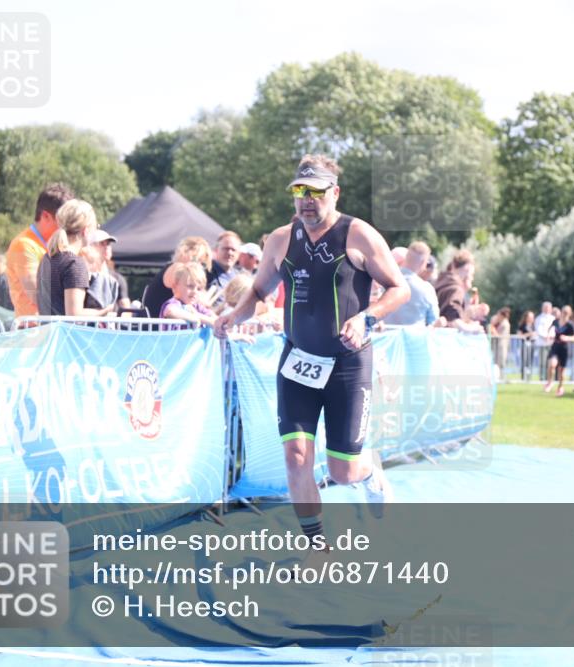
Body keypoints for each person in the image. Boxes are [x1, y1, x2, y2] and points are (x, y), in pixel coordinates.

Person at [214, 154, 410, 554]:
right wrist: (233, 316)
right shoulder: (280, 239)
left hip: (347, 365)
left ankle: (369, 471)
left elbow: (399, 288)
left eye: (315, 192)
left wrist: (366, 319)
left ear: (334, 193)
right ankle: (318, 550)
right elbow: (257, 291)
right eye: (299, 191)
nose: (306, 200)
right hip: (298, 361)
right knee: (296, 455)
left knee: (343, 471)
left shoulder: (359, 235)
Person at [36, 199, 114, 318]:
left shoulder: (47, 258)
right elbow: (74, 315)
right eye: (96, 227)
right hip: (65, 335)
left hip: (48, 333)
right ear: (86, 231)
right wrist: (103, 312)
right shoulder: (74, 263)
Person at [6, 183, 74, 317]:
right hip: (33, 331)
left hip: (54, 328)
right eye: (64, 220)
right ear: (46, 216)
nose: (69, 226)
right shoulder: (23, 245)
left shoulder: (61, 243)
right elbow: (39, 296)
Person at [142, 237, 213, 319]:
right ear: (189, 254)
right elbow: (200, 300)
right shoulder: (177, 269)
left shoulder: (177, 269)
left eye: (202, 264)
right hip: (156, 326)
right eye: (199, 261)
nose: (199, 266)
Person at [383, 241, 439, 326]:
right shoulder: (427, 289)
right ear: (423, 263)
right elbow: (433, 322)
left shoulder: (384, 281)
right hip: (414, 338)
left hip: (384, 338)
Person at [434, 250, 488, 332]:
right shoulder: (455, 288)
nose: (472, 278)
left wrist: (468, 312)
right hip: (445, 339)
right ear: (467, 271)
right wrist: (473, 329)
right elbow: (453, 320)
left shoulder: (441, 283)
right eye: (471, 274)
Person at [160, 262, 216, 327]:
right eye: (190, 286)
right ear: (175, 286)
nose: (195, 291)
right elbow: (170, 311)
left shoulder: (197, 307)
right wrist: (193, 318)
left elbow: (215, 319)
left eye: (199, 289)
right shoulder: (175, 303)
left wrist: (197, 316)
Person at [90, 230, 130, 310]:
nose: (107, 247)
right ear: (91, 246)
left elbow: (126, 310)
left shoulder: (117, 278)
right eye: (102, 243)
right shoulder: (83, 275)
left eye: (108, 244)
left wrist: (119, 320)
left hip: (111, 321)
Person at [543, 306, 574, 396]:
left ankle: (560, 387)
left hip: (564, 348)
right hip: (555, 346)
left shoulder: (570, 325)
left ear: (569, 314)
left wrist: (567, 338)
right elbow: (550, 328)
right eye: (563, 312)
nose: (564, 314)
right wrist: (548, 335)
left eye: (566, 313)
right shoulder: (556, 321)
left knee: (561, 370)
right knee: (552, 364)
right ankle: (549, 382)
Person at [79, 246, 120, 311]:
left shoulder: (102, 281)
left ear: (96, 264)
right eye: (80, 261)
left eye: (90, 261)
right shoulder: (78, 280)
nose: (83, 264)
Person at [489, 306, 512, 380]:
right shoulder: (500, 322)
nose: (497, 316)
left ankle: (501, 377)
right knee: (497, 361)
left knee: (501, 361)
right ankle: (498, 376)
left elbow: (499, 334)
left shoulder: (505, 324)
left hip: (502, 345)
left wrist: (492, 329)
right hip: (498, 345)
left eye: (499, 314)